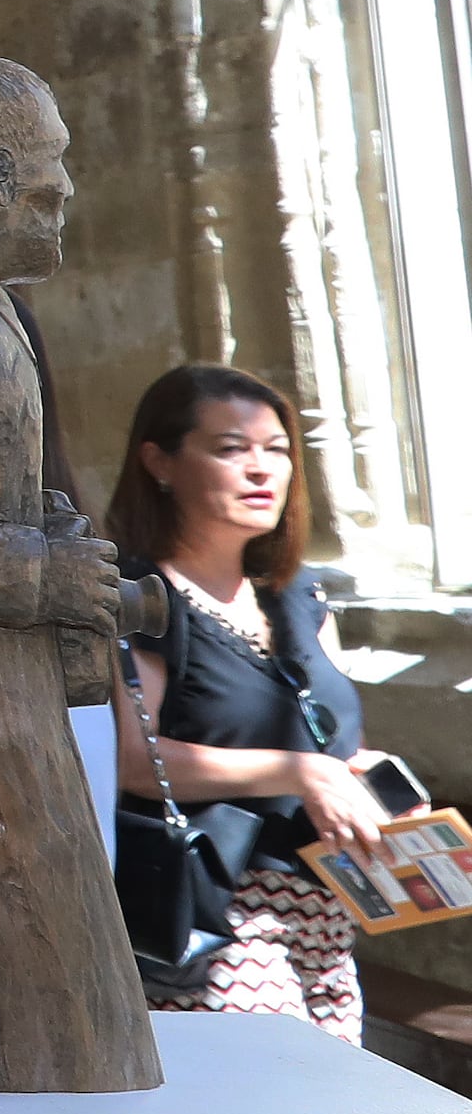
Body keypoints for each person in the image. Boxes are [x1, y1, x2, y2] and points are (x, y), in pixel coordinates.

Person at [110, 364, 399, 1035]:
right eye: (231, 447)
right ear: (160, 461)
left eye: (277, 450)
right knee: (279, 1105)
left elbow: (326, 741)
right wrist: (298, 770)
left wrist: (350, 771)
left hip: (326, 907)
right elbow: (133, 757)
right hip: (217, 909)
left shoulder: (301, 599)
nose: (262, 469)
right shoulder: (140, 597)